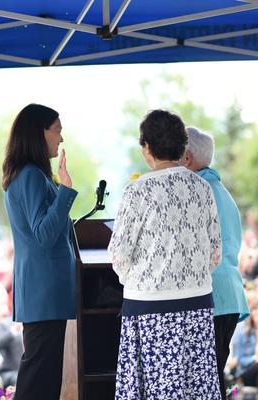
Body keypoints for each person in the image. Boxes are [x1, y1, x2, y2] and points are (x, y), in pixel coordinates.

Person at [108, 109, 222, 400]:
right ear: (182, 146)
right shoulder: (203, 188)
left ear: (146, 148)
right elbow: (215, 254)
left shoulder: (138, 191)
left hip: (149, 307)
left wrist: (136, 280)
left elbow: (119, 255)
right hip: (197, 304)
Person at [2, 103, 77, 400]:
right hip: (43, 292)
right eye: (57, 130)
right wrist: (66, 191)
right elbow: (44, 234)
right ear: (39, 132)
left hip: (42, 292)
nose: (61, 138)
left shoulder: (29, 173)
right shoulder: (31, 175)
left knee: (44, 379)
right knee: (39, 382)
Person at [181, 126, 250, 399]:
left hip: (211, 293)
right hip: (230, 294)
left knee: (204, 380)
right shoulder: (222, 191)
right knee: (214, 376)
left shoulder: (197, 192)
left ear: (186, 157)